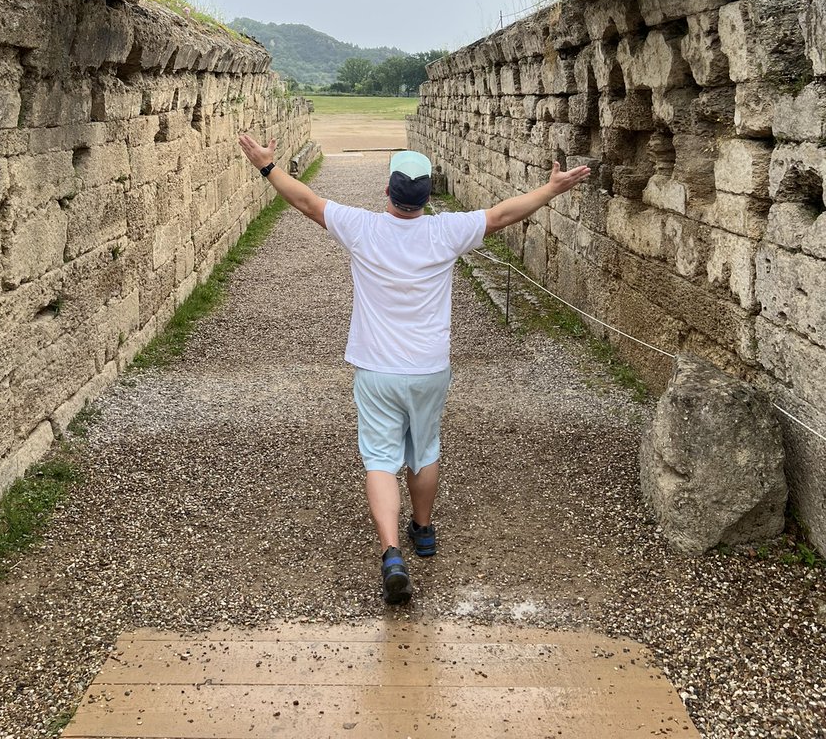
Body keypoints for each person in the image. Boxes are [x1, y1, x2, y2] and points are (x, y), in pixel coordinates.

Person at [238, 134, 590, 604]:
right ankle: (423, 531)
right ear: (427, 195)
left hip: (377, 367)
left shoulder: (361, 227)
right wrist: (551, 189)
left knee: (380, 458)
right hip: (429, 367)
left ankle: (391, 553)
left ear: (388, 191)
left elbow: (305, 201)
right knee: (424, 449)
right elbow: (504, 213)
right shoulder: (445, 232)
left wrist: (267, 166)